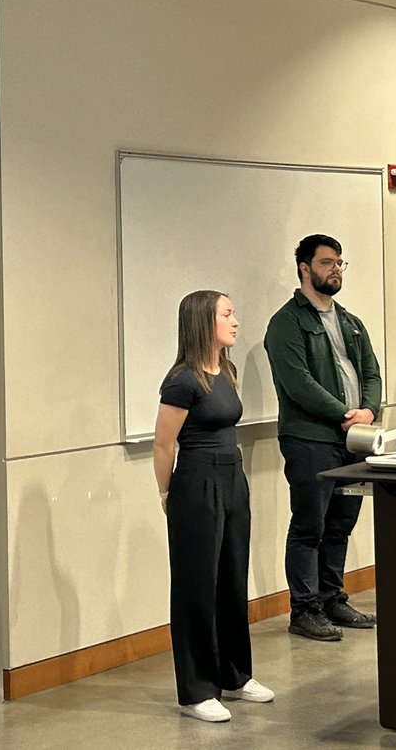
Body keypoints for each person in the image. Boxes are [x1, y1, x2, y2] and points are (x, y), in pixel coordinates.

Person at [153, 290, 274, 723]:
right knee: (196, 587)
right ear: (205, 322)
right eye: (227, 314)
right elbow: (164, 444)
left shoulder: (227, 369)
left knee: (231, 578)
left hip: (232, 479)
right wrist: (168, 496)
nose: (235, 321)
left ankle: (235, 676)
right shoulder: (182, 381)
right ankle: (197, 691)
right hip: (196, 483)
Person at [264, 235, 381, 642]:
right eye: (328, 262)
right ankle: (304, 609)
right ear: (305, 268)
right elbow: (298, 383)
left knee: (341, 523)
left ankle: (333, 598)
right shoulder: (287, 322)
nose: (336, 270)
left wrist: (368, 410)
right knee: (309, 525)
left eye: (340, 263)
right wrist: (345, 414)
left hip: (354, 438)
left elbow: (371, 373)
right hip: (310, 439)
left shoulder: (350, 321)